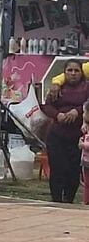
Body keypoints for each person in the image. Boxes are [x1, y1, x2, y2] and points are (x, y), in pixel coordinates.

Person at [42, 59, 89, 204]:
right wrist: (58, 115)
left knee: (73, 169)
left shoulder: (86, 87)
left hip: (78, 135)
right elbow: (47, 106)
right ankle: (56, 198)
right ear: (64, 72)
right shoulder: (58, 87)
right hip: (57, 133)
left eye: (76, 71)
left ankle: (69, 199)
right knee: (57, 167)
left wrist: (78, 111)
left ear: (82, 73)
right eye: (70, 70)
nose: (73, 74)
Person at [79, 99, 89, 206]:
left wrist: (84, 145)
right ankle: (86, 201)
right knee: (86, 183)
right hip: (86, 161)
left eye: (85, 113)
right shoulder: (86, 127)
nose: (83, 115)